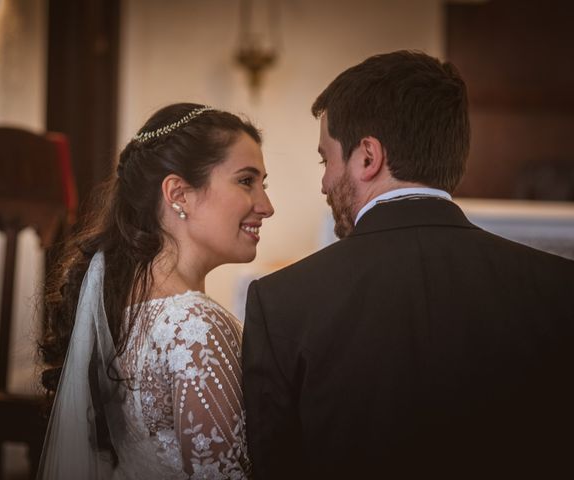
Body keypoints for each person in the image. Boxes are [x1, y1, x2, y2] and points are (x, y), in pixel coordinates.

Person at [242, 50, 574, 479]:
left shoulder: (282, 302)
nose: (324, 182)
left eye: (327, 159)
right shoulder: (559, 288)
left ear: (367, 157)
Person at [37, 103, 274, 479]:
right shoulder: (195, 326)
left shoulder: (123, 306)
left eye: (263, 184)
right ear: (178, 193)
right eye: (246, 181)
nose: (266, 206)